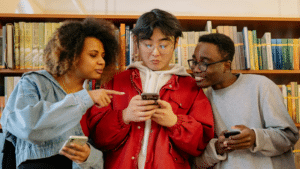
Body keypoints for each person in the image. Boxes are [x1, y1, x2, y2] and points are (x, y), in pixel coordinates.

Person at [81, 8, 214, 169]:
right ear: (136, 43)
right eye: (148, 44)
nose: (155, 53)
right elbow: (97, 138)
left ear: (176, 43)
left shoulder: (191, 87)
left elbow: (201, 144)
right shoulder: (116, 81)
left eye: (163, 45)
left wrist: (174, 122)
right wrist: (124, 116)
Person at [1, 17, 124, 169]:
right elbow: (27, 127)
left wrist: (88, 156)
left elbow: (102, 155)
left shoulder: (95, 98)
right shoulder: (35, 83)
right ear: (71, 54)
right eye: (93, 55)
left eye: (103, 56)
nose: (102, 62)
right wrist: (85, 99)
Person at [190, 33, 299, 169]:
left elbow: (289, 137)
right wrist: (218, 148)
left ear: (226, 66)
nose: (195, 69)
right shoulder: (200, 100)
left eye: (204, 63)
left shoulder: (261, 86)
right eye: (194, 62)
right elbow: (196, 162)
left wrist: (255, 137)